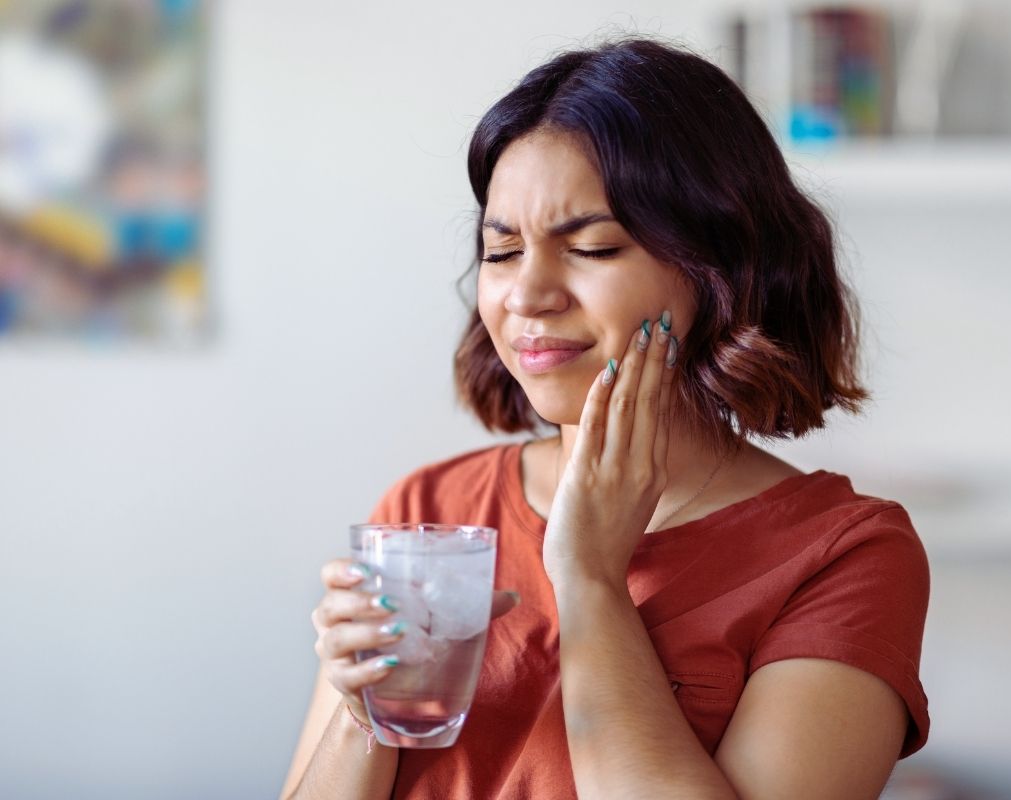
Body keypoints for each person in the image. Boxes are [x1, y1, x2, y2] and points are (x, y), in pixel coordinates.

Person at [282, 36, 930, 800]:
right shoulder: (425, 517)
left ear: (717, 269)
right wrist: (364, 714)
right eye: (502, 252)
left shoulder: (843, 555)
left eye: (590, 247)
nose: (527, 295)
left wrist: (588, 578)